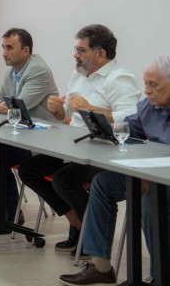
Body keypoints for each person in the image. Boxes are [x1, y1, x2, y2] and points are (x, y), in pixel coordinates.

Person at [18, 24, 141, 257]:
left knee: (64, 179)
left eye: (81, 50)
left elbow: (131, 121)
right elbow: (67, 114)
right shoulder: (79, 74)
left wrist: (92, 109)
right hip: (73, 146)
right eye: (76, 49)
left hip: (103, 152)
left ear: (101, 53)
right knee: (28, 169)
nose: (76, 54)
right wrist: (56, 109)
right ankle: (75, 221)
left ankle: (89, 236)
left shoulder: (120, 78)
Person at [59, 55, 170, 285]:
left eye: (153, 84)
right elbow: (129, 131)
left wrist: (151, 178)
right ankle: (101, 267)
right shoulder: (149, 107)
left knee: (150, 200)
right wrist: (103, 128)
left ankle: (161, 276)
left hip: (164, 180)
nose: (146, 91)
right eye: (146, 83)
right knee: (103, 183)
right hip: (149, 173)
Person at [0, 28, 59, 229]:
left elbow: (19, 106)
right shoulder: (11, 71)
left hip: (41, 141)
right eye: (3, 47)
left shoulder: (38, 70)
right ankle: (3, 212)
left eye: (9, 48)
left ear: (25, 51)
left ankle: (8, 214)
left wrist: (4, 106)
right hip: (18, 135)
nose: (4, 53)